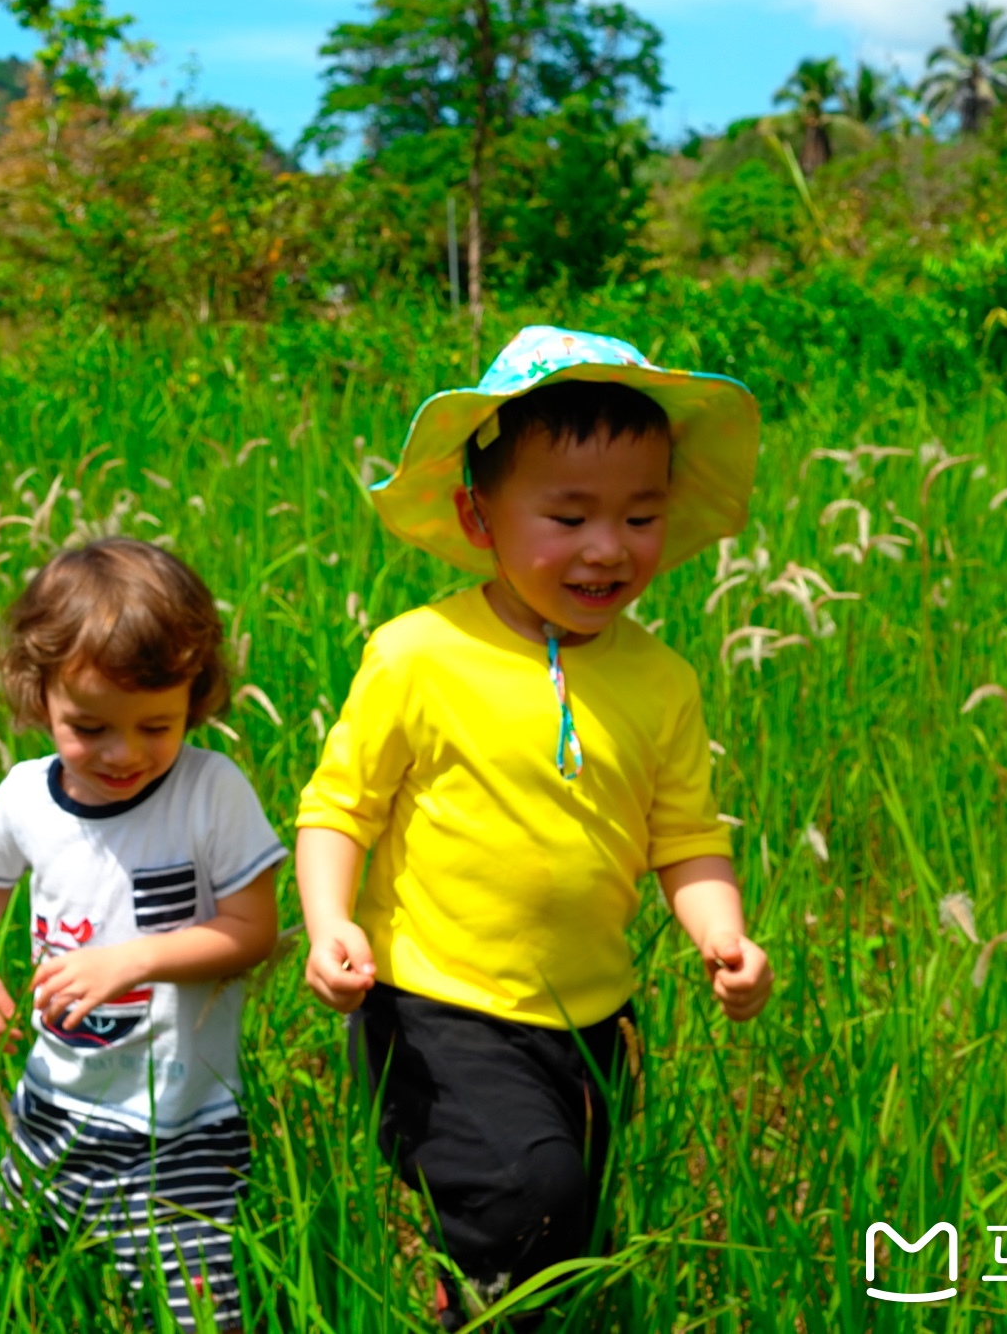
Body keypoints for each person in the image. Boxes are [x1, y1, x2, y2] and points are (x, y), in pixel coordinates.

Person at [295, 327, 777, 1329]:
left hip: (593, 1018)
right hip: (438, 1005)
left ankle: (468, 1286)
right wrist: (329, 919)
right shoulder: (417, 655)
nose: (606, 547)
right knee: (534, 1196)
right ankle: (461, 1300)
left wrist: (719, 933)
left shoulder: (659, 679)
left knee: (569, 1235)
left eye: (639, 515)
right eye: (566, 515)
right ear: (478, 516)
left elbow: (682, 836)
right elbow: (338, 806)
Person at [0, 536, 285, 1333]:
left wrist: (134, 959)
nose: (124, 754)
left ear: (194, 697)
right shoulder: (27, 795)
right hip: (53, 1102)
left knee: (201, 1312)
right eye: (89, 727)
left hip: (180, 1124)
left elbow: (254, 931)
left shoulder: (210, 793)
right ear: (40, 695)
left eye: (155, 726)